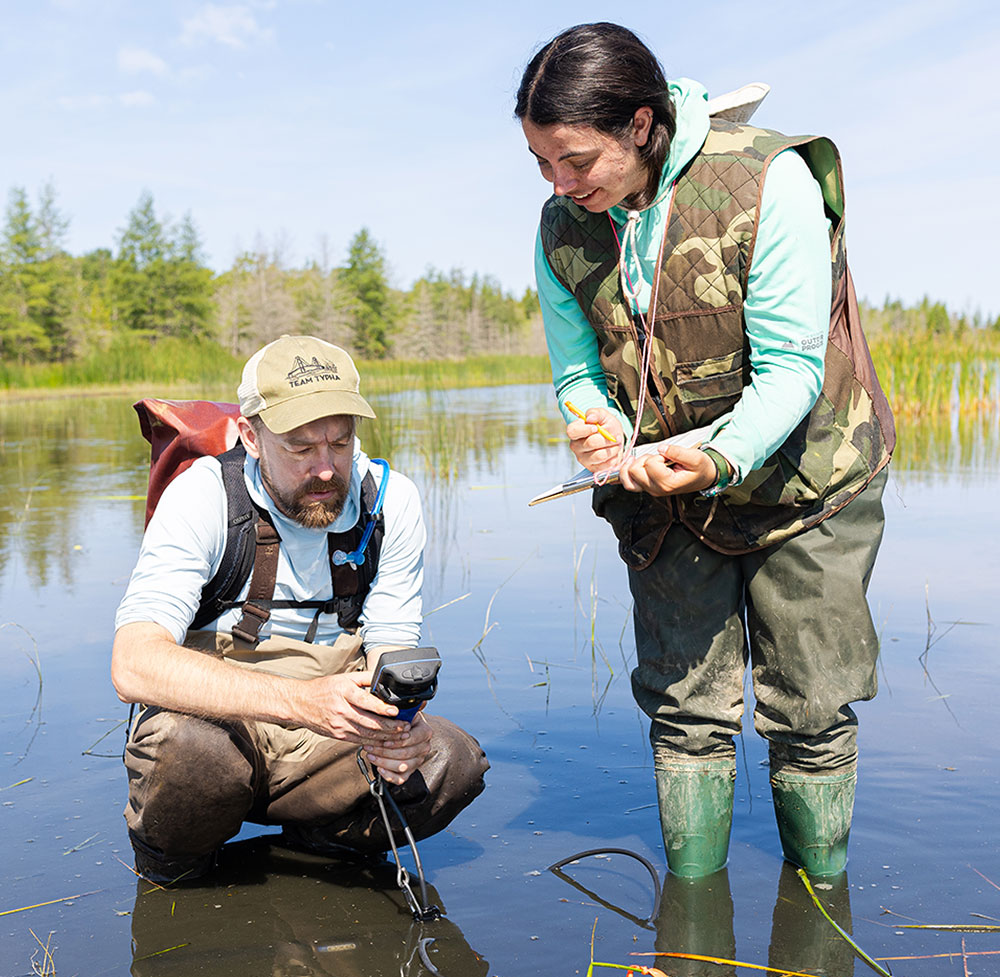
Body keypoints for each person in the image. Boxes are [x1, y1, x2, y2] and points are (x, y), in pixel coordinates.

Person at [516, 23, 894, 879]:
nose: (560, 184)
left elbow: (793, 367)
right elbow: (577, 369)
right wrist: (596, 427)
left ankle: (822, 923)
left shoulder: (770, 180)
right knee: (686, 711)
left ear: (642, 126)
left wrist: (717, 459)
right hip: (662, 489)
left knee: (811, 709)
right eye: (541, 163)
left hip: (808, 480)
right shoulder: (561, 226)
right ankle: (692, 926)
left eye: (576, 160)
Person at [112, 335, 488, 883]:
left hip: (328, 738)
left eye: (340, 442)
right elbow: (133, 665)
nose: (327, 469)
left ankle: (318, 847)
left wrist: (402, 727)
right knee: (186, 753)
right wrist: (302, 702)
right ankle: (177, 866)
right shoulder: (202, 498)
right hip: (217, 726)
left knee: (449, 762)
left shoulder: (391, 501)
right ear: (252, 436)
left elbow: (391, 644)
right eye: (301, 447)